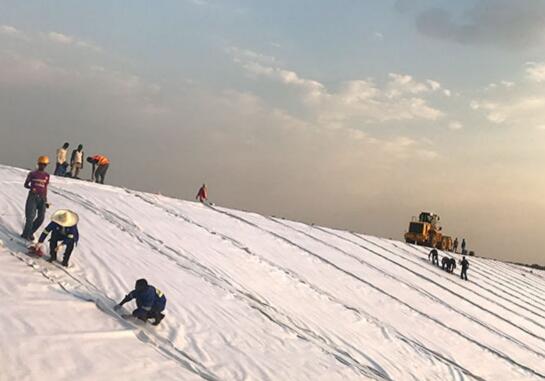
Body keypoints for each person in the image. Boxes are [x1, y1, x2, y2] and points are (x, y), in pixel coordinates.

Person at [21, 156, 50, 241]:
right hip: (33, 196)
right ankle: (26, 235)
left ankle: (30, 233)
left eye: (44, 164)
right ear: (38, 164)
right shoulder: (32, 174)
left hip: (42, 197)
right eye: (41, 164)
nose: (43, 166)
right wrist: (31, 188)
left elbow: (45, 187)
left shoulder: (47, 175)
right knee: (30, 217)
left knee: (41, 218)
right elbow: (26, 184)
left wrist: (46, 200)